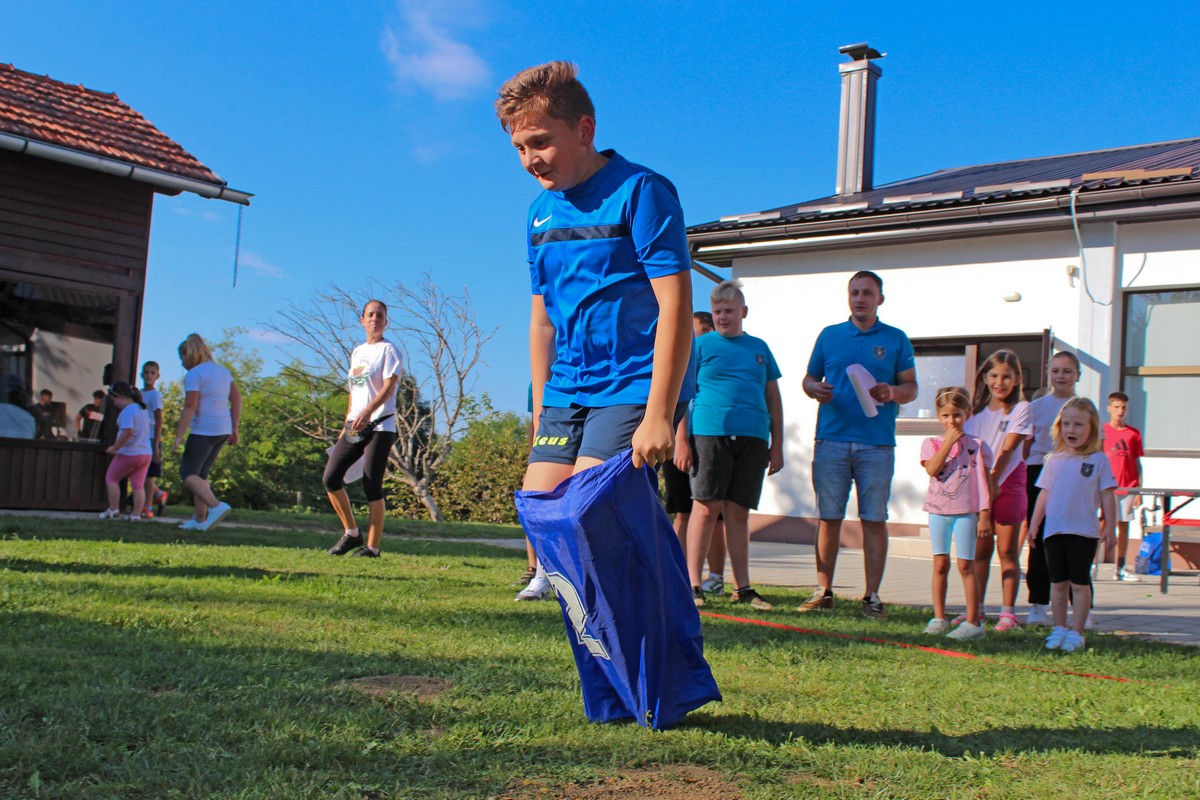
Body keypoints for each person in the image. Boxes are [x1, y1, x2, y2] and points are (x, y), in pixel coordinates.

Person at [497, 60, 694, 601]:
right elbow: (542, 320)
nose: (530, 159)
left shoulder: (642, 191)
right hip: (567, 385)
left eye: (541, 141)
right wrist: (541, 404)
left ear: (584, 129)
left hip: (635, 379)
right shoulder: (539, 213)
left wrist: (660, 413)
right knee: (542, 510)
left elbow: (675, 302)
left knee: (589, 507)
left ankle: (658, 610)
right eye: (519, 148)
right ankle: (605, 618)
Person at [800, 270, 917, 618]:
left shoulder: (896, 339)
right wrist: (813, 389)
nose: (860, 298)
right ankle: (823, 591)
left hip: (877, 443)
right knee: (829, 518)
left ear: (880, 298)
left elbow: (910, 387)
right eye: (854, 292)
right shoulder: (830, 335)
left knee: (874, 519)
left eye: (867, 293)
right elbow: (809, 378)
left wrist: (893, 392)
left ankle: (872, 596)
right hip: (831, 438)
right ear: (848, 297)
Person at [685, 280, 783, 610]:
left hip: (753, 435)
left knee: (738, 513)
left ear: (743, 312)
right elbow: (683, 394)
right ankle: (693, 584)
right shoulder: (700, 346)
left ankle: (743, 588)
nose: (723, 317)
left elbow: (773, 397)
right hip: (709, 433)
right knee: (705, 507)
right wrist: (682, 440)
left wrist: (778, 443)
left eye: (729, 311)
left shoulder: (760, 348)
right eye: (717, 312)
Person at [1029, 398, 1117, 652]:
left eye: (1079, 424)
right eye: (1067, 424)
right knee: (1057, 584)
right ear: (1059, 427)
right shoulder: (1053, 460)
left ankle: (1077, 632)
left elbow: (1108, 495)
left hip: (1084, 532)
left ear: (1091, 428)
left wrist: (1110, 527)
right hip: (1054, 531)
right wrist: (1035, 525)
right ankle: (1059, 628)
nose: (1072, 430)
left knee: (1079, 583)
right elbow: (1044, 494)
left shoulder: (1098, 461)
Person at [324, 300, 402, 558]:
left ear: (386, 322)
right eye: (370, 315)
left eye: (380, 316)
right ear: (362, 320)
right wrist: (347, 421)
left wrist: (368, 412)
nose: (375, 319)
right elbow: (354, 390)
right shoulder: (357, 352)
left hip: (380, 425)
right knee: (331, 478)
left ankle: (372, 547)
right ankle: (351, 532)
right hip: (354, 426)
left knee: (372, 484)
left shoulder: (389, 351)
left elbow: (389, 387)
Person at [961, 349, 1032, 632]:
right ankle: (975, 610)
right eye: (994, 376)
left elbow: (1009, 447)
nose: (999, 382)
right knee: (979, 551)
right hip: (979, 488)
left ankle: (1008, 613)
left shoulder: (1021, 409)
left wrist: (993, 481)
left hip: (1008, 483)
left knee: (1006, 551)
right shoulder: (974, 413)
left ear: (1016, 380)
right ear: (985, 377)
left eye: (1006, 377)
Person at [920, 387, 993, 641]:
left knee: (965, 564)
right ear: (939, 416)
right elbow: (932, 469)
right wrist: (949, 442)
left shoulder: (977, 447)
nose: (952, 421)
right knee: (940, 563)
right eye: (946, 416)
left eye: (957, 415)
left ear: (968, 414)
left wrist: (984, 514)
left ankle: (974, 622)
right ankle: (939, 618)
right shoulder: (931, 444)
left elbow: (984, 482)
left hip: (965, 513)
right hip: (938, 512)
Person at [663, 311, 726, 594]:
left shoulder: (710, 358)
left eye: (695, 330)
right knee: (683, 512)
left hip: (709, 441)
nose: (690, 335)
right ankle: (676, 572)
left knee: (716, 513)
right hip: (680, 444)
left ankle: (716, 576)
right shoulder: (680, 359)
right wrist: (681, 441)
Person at [1023, 351, 1081, 625]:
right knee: (1038, 539)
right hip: (1039, 472)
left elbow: (1095, 446)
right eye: (1056, 370)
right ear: (1048, 373)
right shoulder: (1037, 406)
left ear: (1077, 375)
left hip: (1073, 476)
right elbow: (1025, 445)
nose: (1061, 376)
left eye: (1067, 371)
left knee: (1072, 539)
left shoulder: (1083, 406)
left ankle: (1080, 604)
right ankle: (1038, 603)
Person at [173, 333, 239, 532]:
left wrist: (178, 436)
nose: (182, 363)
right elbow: (236, 400)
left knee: (188, 473)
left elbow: (190, 405)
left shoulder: (195, 374)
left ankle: (216, 507)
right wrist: (234, 428)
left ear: (189, 355)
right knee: (201, 474)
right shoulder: (223, 372)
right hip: (222, 429)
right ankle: (199, 518)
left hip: (204, 429)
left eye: (182, 358)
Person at [1103, 391, 1144, 582]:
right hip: (1106, 487)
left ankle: (1120, 567)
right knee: (1101, 523)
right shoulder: (1102, 432)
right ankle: (1091, 564)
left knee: (1124, 525)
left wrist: (1138, 490)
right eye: (1117, 407)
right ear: (1109, 408)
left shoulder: (1133, 434)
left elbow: (1137, 463)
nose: (1120, 411)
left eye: (1123, 407)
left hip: (1127, 486)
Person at [99, 382, 152, 521]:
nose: (114, 403)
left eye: (114, 399)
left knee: (112, 478)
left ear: (120, 397)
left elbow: (128, 431)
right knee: (138, 485)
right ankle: (136, 515)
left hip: (130, 452)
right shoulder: (141, 409)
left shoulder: (128, 411)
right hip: (146, 453)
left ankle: (113, 509)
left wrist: (115, 447)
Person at [140, 361, 168, 518]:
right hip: (139, 437)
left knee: (148, 474)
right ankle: (159, 494)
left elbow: (158, 420)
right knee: (138, 472)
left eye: (152, 373)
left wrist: (156, 445)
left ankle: (148, 506)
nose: (149, 375)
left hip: (151, 438)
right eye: (146, 372)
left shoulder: (155, 396)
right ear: (142, 375)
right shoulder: (139, 394)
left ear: (157, 376)